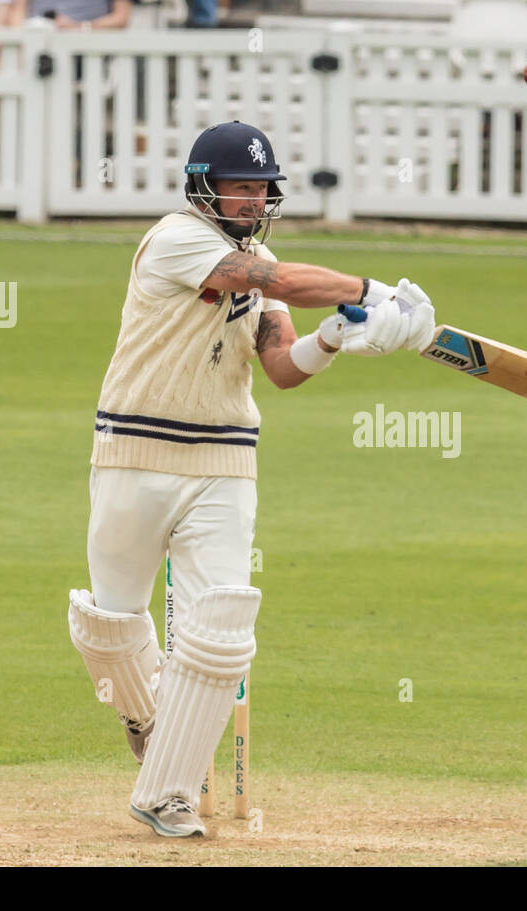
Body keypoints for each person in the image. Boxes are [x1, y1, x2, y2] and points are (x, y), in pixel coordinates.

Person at [67, 120, 434, 838]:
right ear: (204, 186)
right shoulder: (176, 239)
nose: (253, 200)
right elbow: (282, 280)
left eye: (263, 189)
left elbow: (280, 368)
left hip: (225, 457)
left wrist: (337, 338)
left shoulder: (259, 255)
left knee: (222, 628)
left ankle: (166, 792)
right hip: (134, 448)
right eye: (241, 186)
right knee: (112, 623)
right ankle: (148, 716)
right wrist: (374, 287)